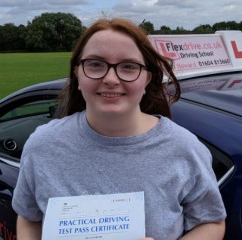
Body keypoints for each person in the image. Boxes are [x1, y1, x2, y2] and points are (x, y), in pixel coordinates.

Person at [12, 18, 226, 240]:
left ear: (147, 78)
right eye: (95, 64)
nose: (111, 79)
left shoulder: (185, 148)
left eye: (128, 66)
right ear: (77, 74)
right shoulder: (42, 145)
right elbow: (29, 217)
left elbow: (211, 222)